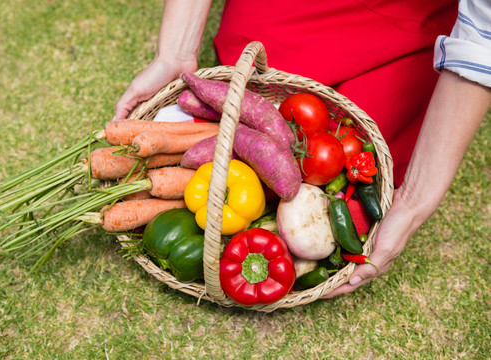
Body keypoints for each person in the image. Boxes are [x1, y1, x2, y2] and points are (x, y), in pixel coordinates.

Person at [114, 0, 491, 297]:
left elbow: (483, 34)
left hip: (416, 8)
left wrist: (413, 202)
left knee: (367, 137)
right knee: (251, 57)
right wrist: (175, 55)